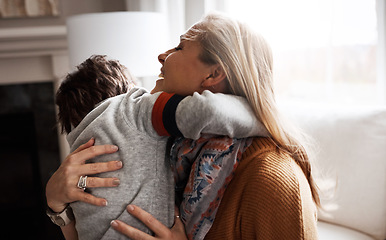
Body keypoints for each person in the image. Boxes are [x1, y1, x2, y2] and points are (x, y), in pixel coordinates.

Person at [46, 12, 320, 240]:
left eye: (179, 47)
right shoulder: (175, 152)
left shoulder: (273, 178)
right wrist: (57, 205)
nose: (161, 56)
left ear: (213, 74)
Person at [51, 54, 267, 239]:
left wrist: (55, 205)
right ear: (128, 92)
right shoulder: (132, 108)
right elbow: (208, 112)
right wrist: (268, 120)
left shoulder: (78, 152)